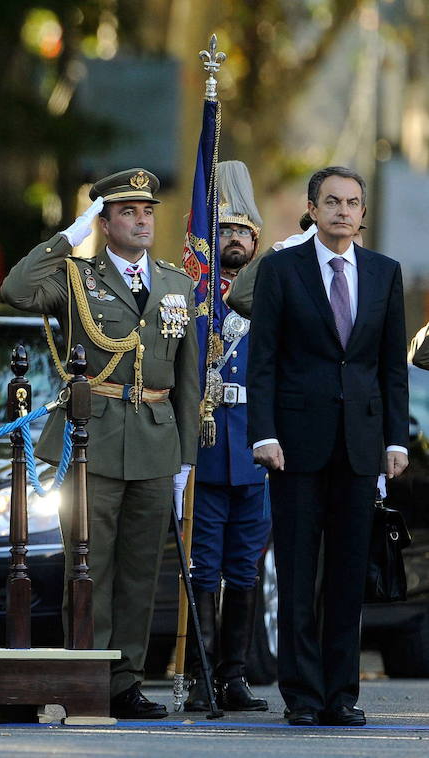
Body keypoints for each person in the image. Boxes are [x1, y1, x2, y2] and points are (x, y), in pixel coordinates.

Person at [0, 169, 200, 718]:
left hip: (156, 441)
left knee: (140, 571)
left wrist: (185, 459)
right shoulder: (75, 276)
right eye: (127, 212)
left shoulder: (175, 283)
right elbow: (16, 289)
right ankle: (85, 675)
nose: (141, 220)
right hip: (93, 438)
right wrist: (71, 233)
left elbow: (186, 379)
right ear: (105, 222)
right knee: (89, 567)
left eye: (148, 212)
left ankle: (126, 682)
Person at [246, 166, 409, 727]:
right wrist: (262, 434)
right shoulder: (280, 270)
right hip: (293, 445)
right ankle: (302, 695)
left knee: (346, 575)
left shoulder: (385, 274)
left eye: (353, 202)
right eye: (332, 201)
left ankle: (341, 695)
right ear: (312, 208)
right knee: (296, 573)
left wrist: (396, 438)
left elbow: (392, 367)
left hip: (362, 445)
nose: (343, 210)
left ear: (363, 214)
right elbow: (262, 359)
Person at [184, 160, 269, 712]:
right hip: (209, 446)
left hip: (258, 449)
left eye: (244, 232)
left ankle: (233, 675)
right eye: (226, 230)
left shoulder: (273, 292)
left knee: (244, 566)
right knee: (204, 564)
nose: (235, 239)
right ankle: (198, 677)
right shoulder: (188, 292)